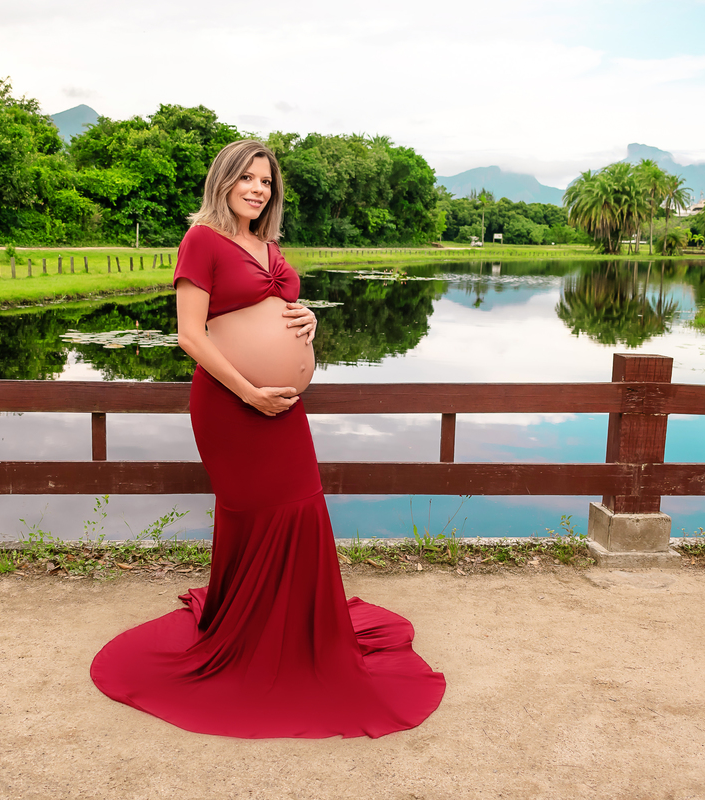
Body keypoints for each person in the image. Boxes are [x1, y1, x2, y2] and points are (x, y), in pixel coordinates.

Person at [91, 139, 445, 739]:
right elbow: (191, 336)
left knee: (302, 507)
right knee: (258, 514)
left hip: (282, 410)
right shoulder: (201, 240)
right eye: (247, 178)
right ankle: (250, 639)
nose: (258, 188)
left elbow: (274, 307)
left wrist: (306, 316)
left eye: (266, 180)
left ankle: (298, 636)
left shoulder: (267, 245)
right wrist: (250, 391)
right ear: (223, 180)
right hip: (231, 407)